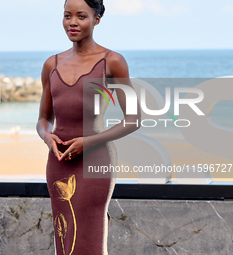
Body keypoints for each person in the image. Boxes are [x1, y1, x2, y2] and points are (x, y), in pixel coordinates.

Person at [36, 0, 141, 254]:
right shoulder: (52, 64)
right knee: (65, 238)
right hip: (58, 161)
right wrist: (46, 137)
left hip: (96, 161)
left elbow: (134, 118)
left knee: (91, 239)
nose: (72, 22)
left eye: (81, 16)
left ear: (96, 19)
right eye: (67, 16)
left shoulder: (112, 61)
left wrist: (89, 141)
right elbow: (43, 119)